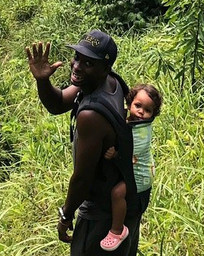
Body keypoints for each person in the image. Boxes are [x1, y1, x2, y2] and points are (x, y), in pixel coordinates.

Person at [26, 30, 142, 256]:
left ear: (104, 68)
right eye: (77, 57)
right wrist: (43, 80)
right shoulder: (110, 82)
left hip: (102, 215)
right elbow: (58, 103)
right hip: (124, 204)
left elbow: (82, 179)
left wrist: (66, 215)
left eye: (88, 63)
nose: (77, 66)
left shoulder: (91, 116)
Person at [101, 83, 162, 251]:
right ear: (129, 104)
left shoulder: (141, 131)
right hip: (138, 169)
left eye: (148, 110)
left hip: (141, 175)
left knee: (117, 193)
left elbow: (130, 155)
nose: (141, 112)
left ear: (153, 114)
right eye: (138, 106)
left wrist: (115, 155)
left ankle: (117, 230)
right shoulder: (131, 122)